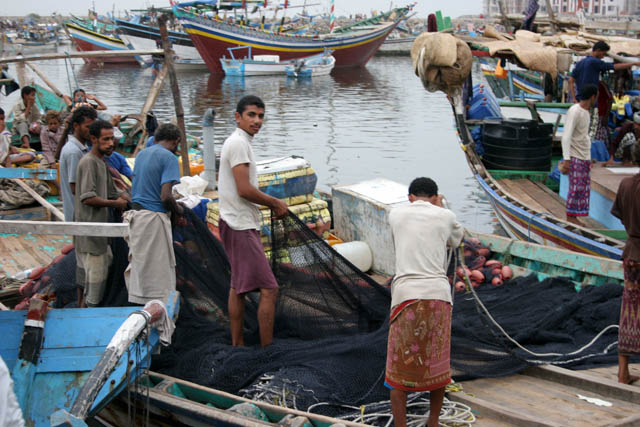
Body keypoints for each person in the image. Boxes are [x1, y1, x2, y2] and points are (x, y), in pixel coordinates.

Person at [385, 177, 463, 427]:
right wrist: (440, 207)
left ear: (410, 197)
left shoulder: (395, 214)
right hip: (438, 296)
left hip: (406, 297)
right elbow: (456, 240)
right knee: (437, 365)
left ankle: (401, 425)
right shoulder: (445, 215)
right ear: (435, 196)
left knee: (398, 368)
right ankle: (433, 422)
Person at [218, 95, 288, 348]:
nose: (257, 121)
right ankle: (265, 350)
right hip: (239, 224)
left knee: (239, 287)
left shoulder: (240, 142)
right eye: (251, 115)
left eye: (260, 116)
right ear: (238, 117)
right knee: (269, 289)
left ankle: (238, 345)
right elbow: (244, 189)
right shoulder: (238, 143)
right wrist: (276, 203)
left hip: (234, 220)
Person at [123, 123, 184, 305]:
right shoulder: (169, 158)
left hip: (136, 217)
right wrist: (178, 210)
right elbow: (165, 196)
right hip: (153, 219)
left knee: (142, 271)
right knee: (159, 277)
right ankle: (158, 316)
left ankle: (140, 310)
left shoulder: (142, 154)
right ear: (176, 142)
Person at [74, 120, 128, 308]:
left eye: (112, 138)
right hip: (92, 237)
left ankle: (82, 316)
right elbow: (87, 197)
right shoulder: (89, 162)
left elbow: (112, 191)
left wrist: (127, 197)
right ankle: (87, 325)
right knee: (94, 293)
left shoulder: (101, 163)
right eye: (106, 139)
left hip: (95, 236)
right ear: (93, 139)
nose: (111, 143)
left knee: (85, 284)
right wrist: (117, 203)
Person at [611, 143, 640, 385]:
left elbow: (621, 216)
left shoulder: (626, 184)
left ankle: (623, 371)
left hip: (631, 254)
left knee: (629, 311)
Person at [560, 84, 598, 226]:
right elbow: (566, 136)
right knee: (575, 188)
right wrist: (567, 159)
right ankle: (570, 217)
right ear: (592, 97)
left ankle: (575, 216)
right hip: (575, 155)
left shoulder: (586, 112)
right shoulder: (575, 111)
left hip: (584, 156)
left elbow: (583, 136)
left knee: (582, 188)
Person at [59, 106, 97, 221]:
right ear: (76, 126)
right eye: (88, 127)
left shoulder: (82, 148)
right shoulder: (73, 152)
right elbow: (75, 188)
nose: (91, 131)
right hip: (78, 215)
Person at [569, 41, 640, 102]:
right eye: (603, 54)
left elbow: (571, 81)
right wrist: (633, 63)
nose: (603, 57)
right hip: (589, 101)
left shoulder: (580, 63)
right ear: (598, 50)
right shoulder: (595, 62)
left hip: (579, 99)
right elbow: (614, 67)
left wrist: (574, 99)